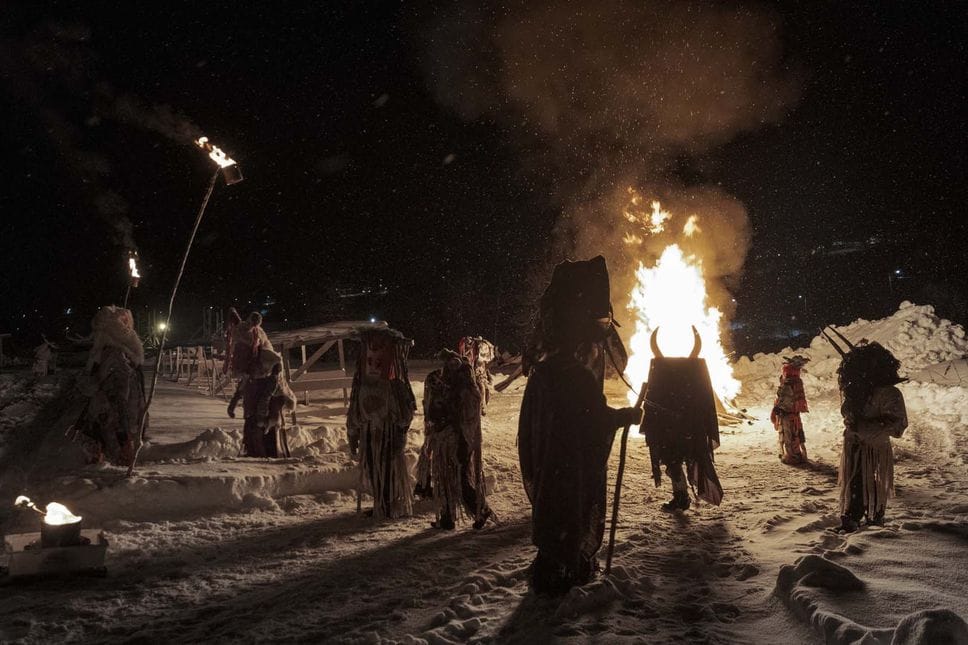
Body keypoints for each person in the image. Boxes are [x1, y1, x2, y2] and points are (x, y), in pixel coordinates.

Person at [518, 256, 643, 594]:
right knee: (573, 509)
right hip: (572, 461)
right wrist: (624, 417)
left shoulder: (543, 374)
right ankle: (565, 568)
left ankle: (553, 565)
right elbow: (593, 419)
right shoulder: (576, 377)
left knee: (553, 510)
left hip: (549, 461)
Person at [639, 327, 723, 512]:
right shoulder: (691, 380)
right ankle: (681, 496)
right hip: (686, 426)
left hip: (679, 428)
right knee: (674, 462)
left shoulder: (664, 379)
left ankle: (681, 497)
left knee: (674, 462)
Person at [835, 341, 908, 532]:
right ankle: (851, 517)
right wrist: (851, 417)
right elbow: (848, 414)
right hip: (853, 446)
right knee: (854, 483)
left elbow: (898, 425)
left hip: (874, 449)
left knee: (871, 483)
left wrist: (864, 427)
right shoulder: (857, 391)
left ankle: (874, 519)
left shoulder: (890, 393)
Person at [347, 329, 417, 519]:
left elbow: (406, 412)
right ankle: (380, 502)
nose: (373, 366)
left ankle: (390, 504)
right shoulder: (361, 385)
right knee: (372, 467)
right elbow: (354, 409)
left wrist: (400, 435)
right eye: (369, 360)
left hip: (389, 434)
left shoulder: (396, 387)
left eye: (379, 361)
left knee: (388, 470)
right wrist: (353, 433)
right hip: (369, 433)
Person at [421, 350, 493, 530]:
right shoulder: (456, 388)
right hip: (450, 440)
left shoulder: (464, 391)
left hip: (456, 441)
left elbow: (464, 418)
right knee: (446, 479)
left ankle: (479, 510)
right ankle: (449, 517)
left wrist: (462, 440)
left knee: (457, 480)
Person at [68, 306, 147, 466]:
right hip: (116, 424)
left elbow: (118, 398)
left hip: (115, 425)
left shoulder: (114, 354)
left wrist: (124, 439)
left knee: (115, 466)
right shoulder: (114, 353)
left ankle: (115, 458)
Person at [229, 348, 296, 458]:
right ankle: (258, 456)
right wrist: (233, 405)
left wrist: (263, 419)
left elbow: (266, 399)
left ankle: (266, 459)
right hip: (255, 415)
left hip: (266, 417)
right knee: (255, 438)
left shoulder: (271, 382)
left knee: (267, 441)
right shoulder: (252, 379)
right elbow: (242, 391)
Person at [771, 355, 810, 464]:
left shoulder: (789, 383)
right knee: (794, 433)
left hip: (787, 414)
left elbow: (785, 399)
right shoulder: (797, 381)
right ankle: (796, 453)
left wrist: (778, 409)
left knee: (790, 435)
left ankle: (792, 456)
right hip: (793, 413)